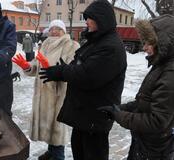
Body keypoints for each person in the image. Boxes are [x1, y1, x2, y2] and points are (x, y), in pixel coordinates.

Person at [39, 0, 127, 159]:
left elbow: (88, 76)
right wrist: (68, 67)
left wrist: (61, 71)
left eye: (89, 18)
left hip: (96, 116)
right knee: (80, 152)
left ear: (102, 19)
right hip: (85, 116)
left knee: (92, 154)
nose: (86, 21)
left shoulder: (111, 47)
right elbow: (80, 63)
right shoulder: (96, 41)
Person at [98, 14, 174, 160]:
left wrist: (119, 115)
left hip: (154, 149)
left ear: (163, 43)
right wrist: (119, 108)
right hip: (145, 144)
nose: (144, 47)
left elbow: (157, 121)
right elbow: (145, 102)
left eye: (148, 43)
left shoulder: (170, 73)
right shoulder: (161, 65)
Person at [12, 19, 80, 160]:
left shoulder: (71, 45)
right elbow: (37, 66)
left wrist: (52, 69)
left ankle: (58, 156)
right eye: (52, 29)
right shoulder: (45, 45)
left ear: (64, 31)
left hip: (58, 93)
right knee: (49, 126)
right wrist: (27, 66)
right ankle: (51, 152)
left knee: (57, 128)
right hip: (43, 93)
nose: (54, 31)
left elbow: (72, 69)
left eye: (58, 29)